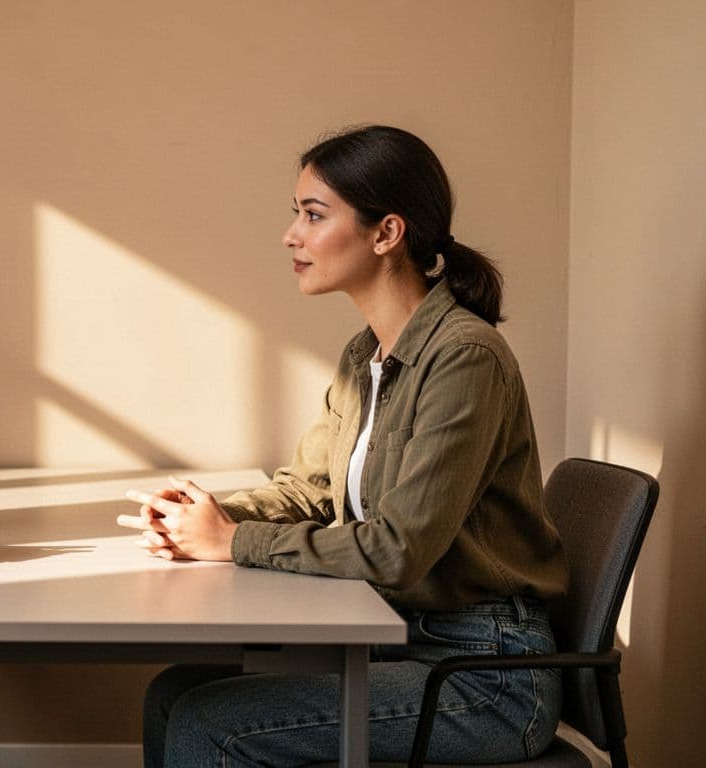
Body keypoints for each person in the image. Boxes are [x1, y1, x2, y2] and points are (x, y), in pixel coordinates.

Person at [117, 125, 568, 766]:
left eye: (313, 214)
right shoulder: (365, 356)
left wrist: (233, 542)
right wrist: (204, 519)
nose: (291, 235)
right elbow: (309, 490)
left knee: (207, 723)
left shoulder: (465, 358)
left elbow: (397, 549)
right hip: (398, 636)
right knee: (172, 694)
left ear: (386, 234)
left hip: (484, 675)